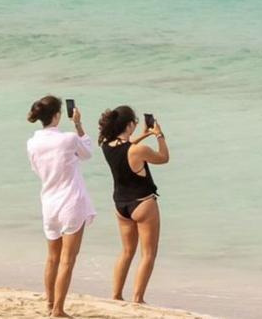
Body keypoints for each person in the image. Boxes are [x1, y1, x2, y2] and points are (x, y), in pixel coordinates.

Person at [26, 95, 96, 318]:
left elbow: (36, 169)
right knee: (68, 259)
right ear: (57, 115)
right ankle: (58, 310)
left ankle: (49, 303)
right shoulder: (68, 139)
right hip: (71, 203)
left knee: (52, 258)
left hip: (49, 202)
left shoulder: (32, 143)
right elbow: (87, 152)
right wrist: (77, 123)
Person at [98, 106, 169, 304]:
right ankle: (138, 298)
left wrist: (142, 135)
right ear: (129, 125)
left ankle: (116, 295)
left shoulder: (106, 146)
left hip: (121, 205)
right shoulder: (138, 151)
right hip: (143, 203)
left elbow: (126, 147)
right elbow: (164, 158)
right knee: (148, 254)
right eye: (134, 122)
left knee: (127, 251)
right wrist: (159, 135)